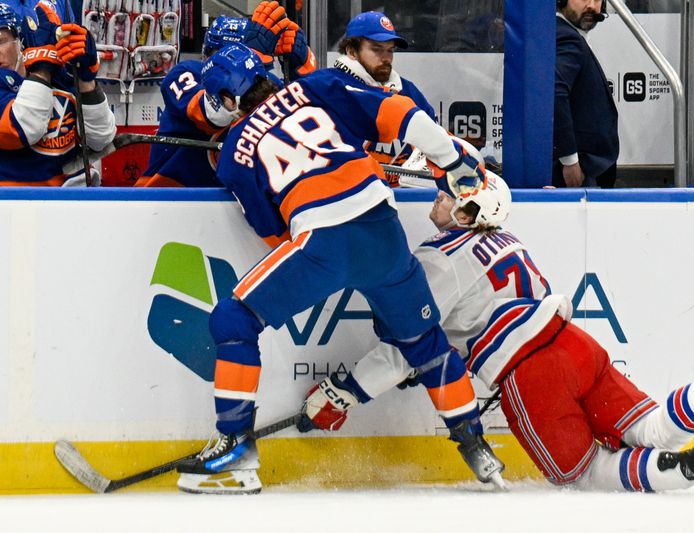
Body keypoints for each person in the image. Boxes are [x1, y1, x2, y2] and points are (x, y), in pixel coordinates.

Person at [298, 172, 694, 495]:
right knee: (647, 429)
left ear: (471, 215)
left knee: (579, 472)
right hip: (576, 345)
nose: (442, 196)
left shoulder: (439, 261)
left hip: (530, 373)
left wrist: (344, 392)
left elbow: (406, 346)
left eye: (455, 196)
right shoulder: (507, 240)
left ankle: (687, 468)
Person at [174, 41, 496, 495]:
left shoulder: (233, 154)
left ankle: (235, 452)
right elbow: (400, 113)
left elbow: (274, 233)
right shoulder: (317, 84)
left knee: (233, 318)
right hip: (384, 230)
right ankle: (477, 449)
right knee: (426, 343)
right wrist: (451, 160)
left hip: (322, 241)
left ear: (228, 99)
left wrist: (322, 261)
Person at [137, 1, 313, 187]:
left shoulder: (268, 83)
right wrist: (253, 60)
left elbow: (302, 131)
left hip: (235, 200)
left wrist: (302, 73)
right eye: (225, 54)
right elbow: (213, 114)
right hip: (166, 198)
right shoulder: (185, 73)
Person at [0, 2, 115, 185]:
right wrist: (41, 69)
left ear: (20, 40)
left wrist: (86, 80)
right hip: (15, 207)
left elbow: (100, 138)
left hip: (76, 202)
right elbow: (23, 128)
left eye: (0, 40)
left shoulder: (60, 75)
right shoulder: (43, 70)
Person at [334, 11, 438, 187]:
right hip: (348, 200)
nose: (386, 58)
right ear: (351, 51)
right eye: (376, 49)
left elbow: (435, 145)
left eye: (390, 50)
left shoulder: (408, 92)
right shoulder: (333, 92)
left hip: (406, 199)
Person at [553, 0, 618, 188]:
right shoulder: (567, 37)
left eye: (597, 0)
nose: (591, 5)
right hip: (578, 173)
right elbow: (556, 94)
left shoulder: (570, 36)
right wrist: (570, 161)